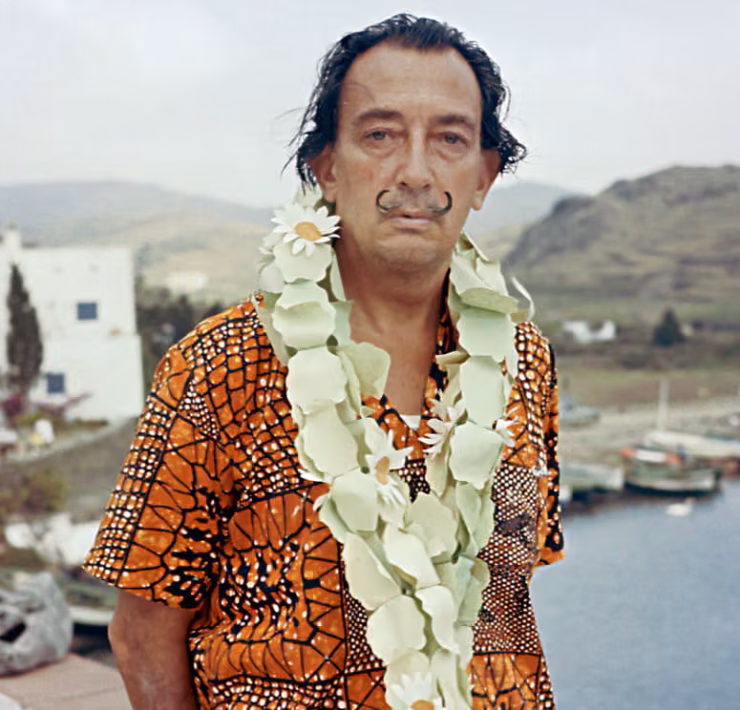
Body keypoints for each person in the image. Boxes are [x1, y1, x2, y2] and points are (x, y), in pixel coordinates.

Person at [84, 14, 563, 710]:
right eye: (381, 135)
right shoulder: (221, 365)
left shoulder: (526, 362)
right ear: (328, 168)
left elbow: (510, 589)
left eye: (450, 139)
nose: (416, 171)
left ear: (484, 177)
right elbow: (141, 635)